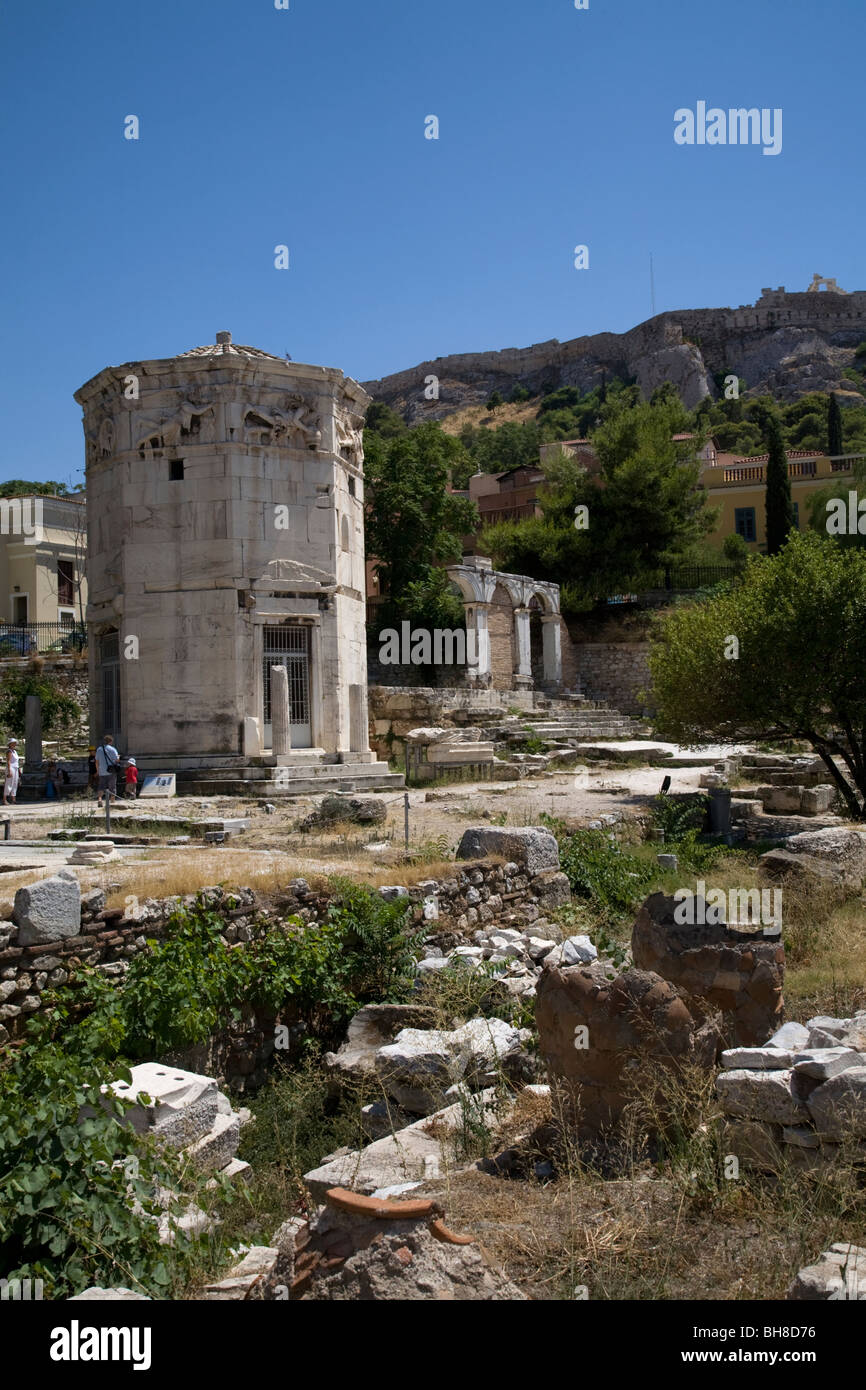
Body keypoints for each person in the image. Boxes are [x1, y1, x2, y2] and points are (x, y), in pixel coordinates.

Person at [95, 734, 120, 807]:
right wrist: (119, 757)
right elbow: (117, 760)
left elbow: (97, 761)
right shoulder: (113, 749)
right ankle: (112, 800)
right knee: (112, 786)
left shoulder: (99, 749)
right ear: (111, 741)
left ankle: (99, 799)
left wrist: (97, 771)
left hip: (102, 771)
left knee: (101, 786)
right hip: (111, 771)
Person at [3, 739, 19, 805]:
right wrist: (9, 771)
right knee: (9, 783)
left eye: (15, 743)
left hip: (15, 768)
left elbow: (16, 761)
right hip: (11, 768)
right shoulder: (9, 751)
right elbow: (8, 761)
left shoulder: (15, 751)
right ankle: (4, 799)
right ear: (10, 744)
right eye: (13, 743)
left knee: (15, 783)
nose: (14, 744)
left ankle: (13, 799)